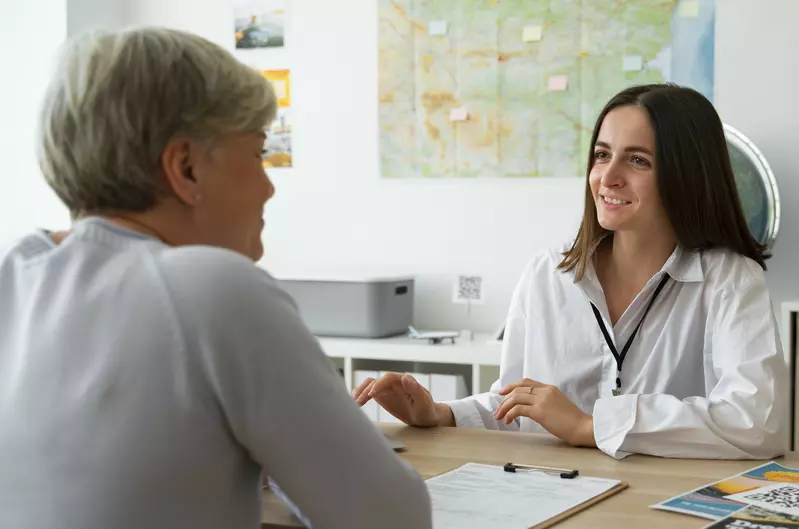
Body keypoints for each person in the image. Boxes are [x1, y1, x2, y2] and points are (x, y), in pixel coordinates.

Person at [0, 27, 431, 529]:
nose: (269, 186)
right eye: (257, 152)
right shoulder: (214, 287)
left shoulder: (16, 273)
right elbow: (392, 518)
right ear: (185, 168)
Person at [355, 84, 788, 460]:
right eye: (602, 155)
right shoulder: (548, 273)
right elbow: (520, 405)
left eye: (637, 161)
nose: (607, 177)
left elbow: (755, 424)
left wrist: (589, 425)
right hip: (555, 492)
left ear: (688, 175)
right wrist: (439, 414)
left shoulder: (732, 281)